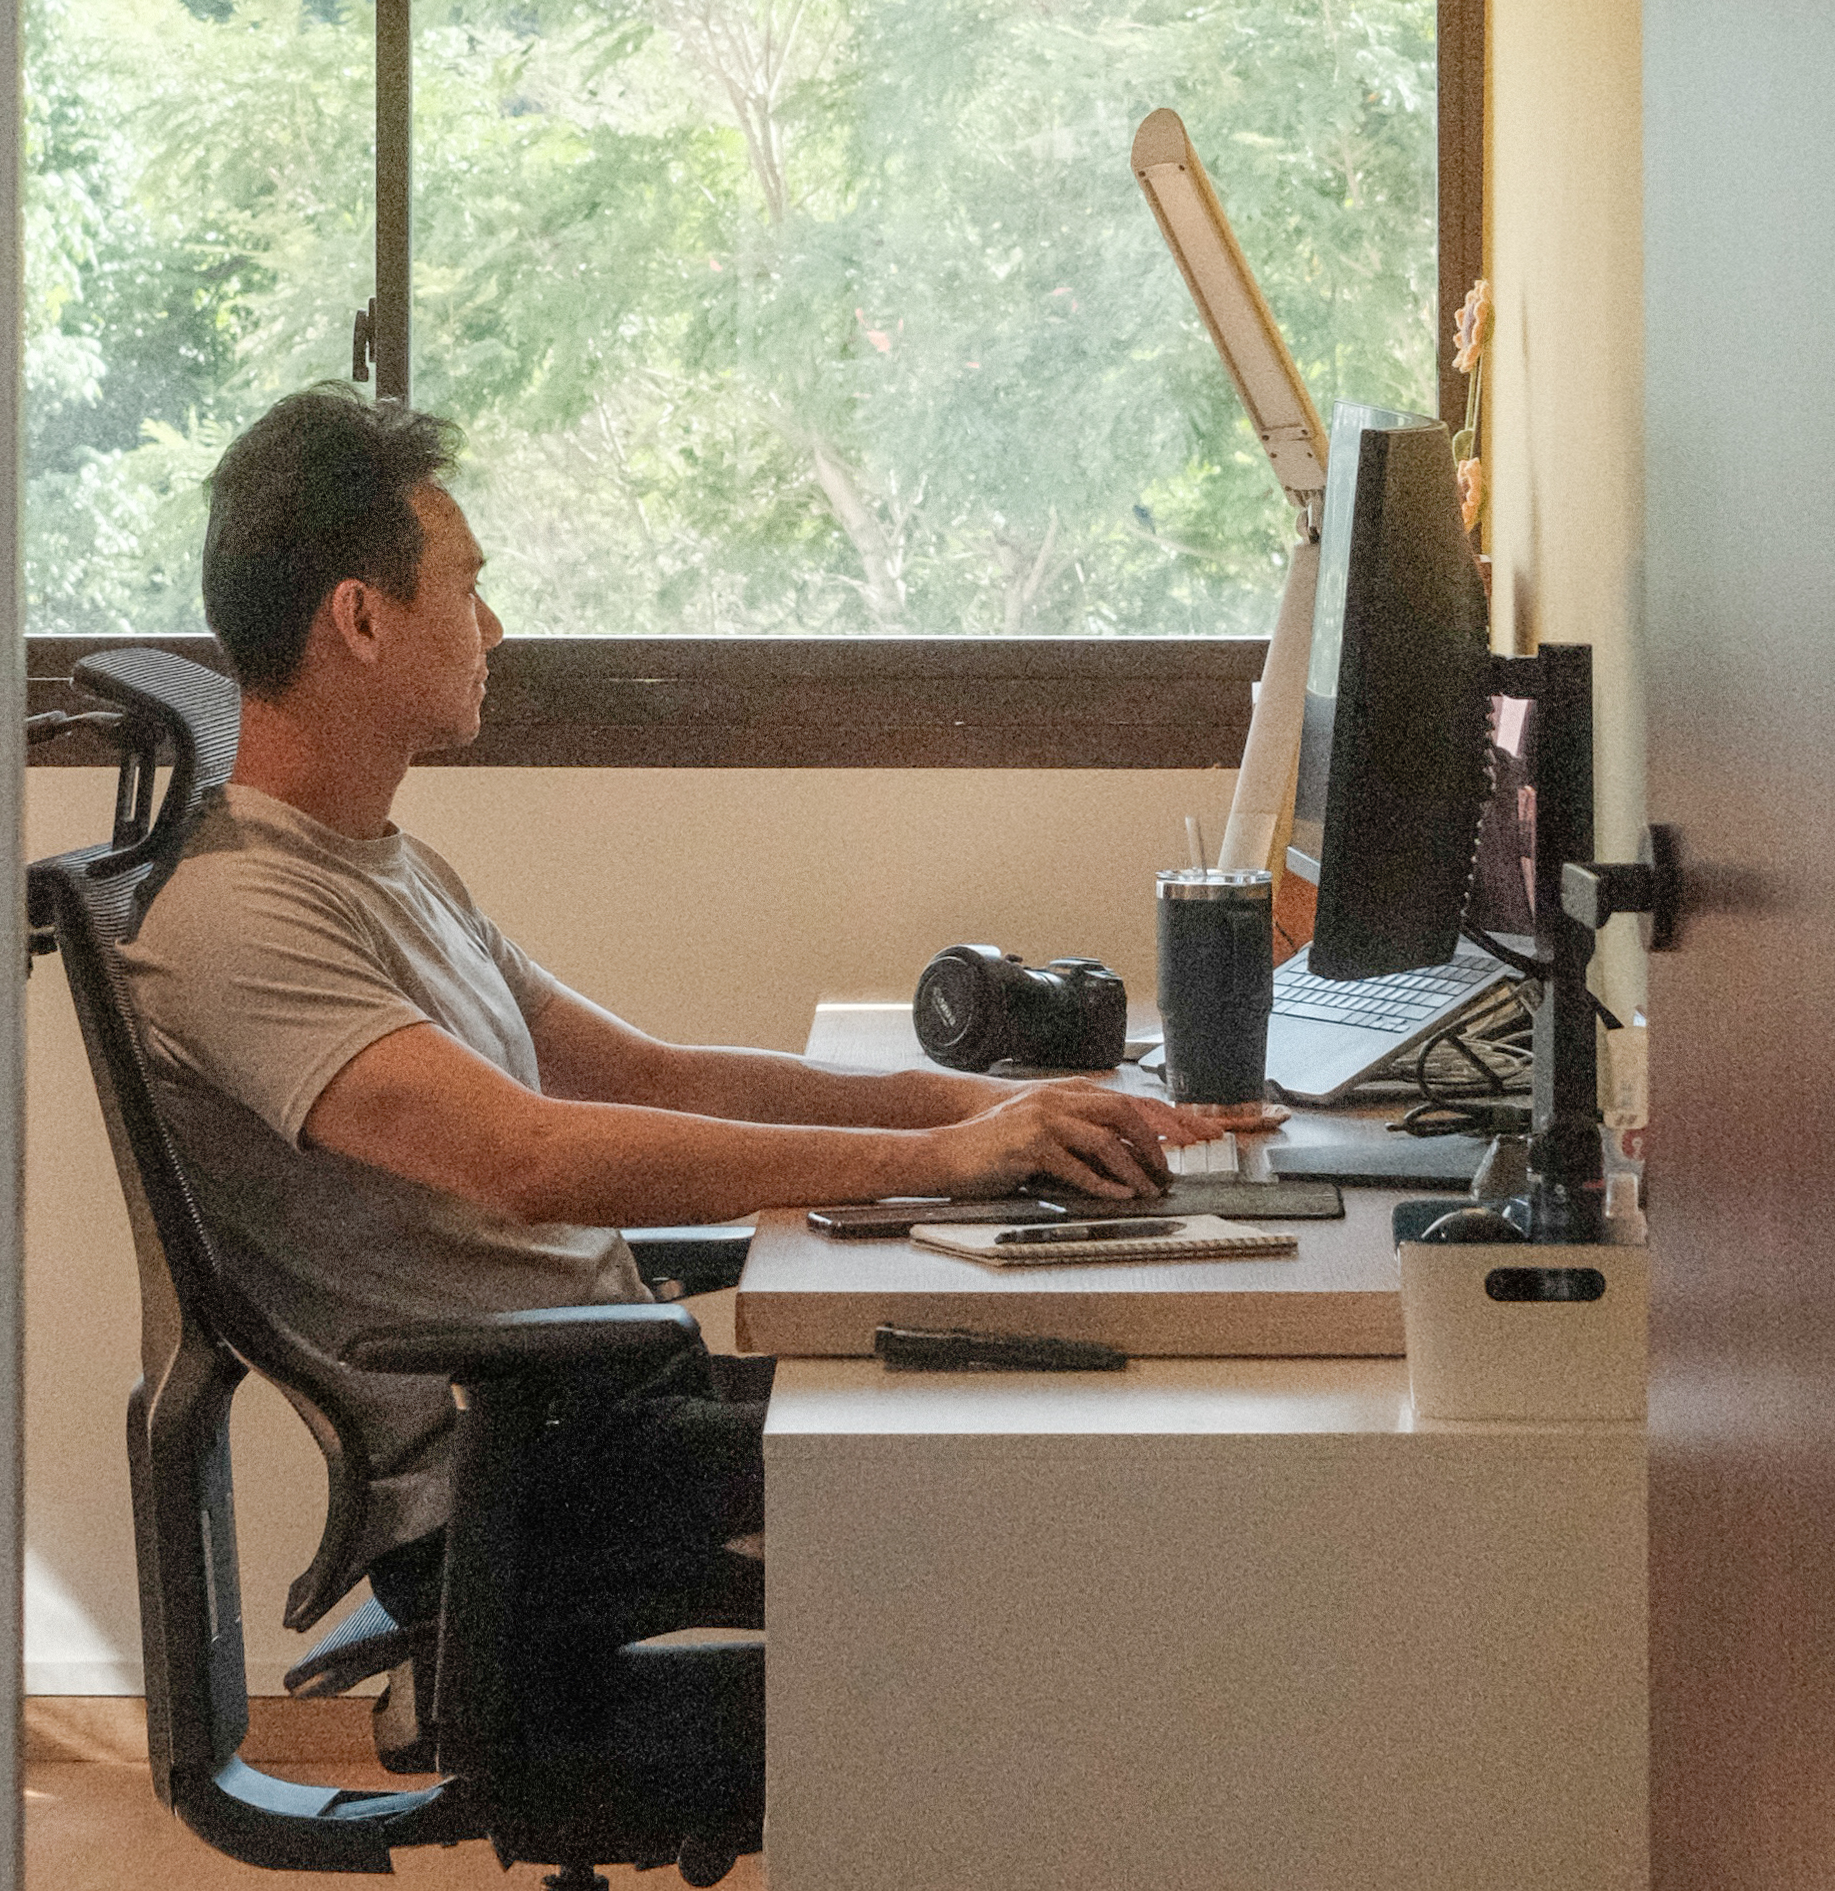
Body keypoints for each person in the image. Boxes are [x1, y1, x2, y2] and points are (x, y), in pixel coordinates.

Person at [120, 387, 1263, 1639]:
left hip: (609, 1416)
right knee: (1050, 1489)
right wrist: (941, 1160)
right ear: (360, 618)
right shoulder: (238, 917)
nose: (493, 628)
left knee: (1054, 1409)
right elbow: (530, 1159)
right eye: (467, 589)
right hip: (527, 1487)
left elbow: (654, 1075)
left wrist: (981, 1106)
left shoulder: (380, 867)